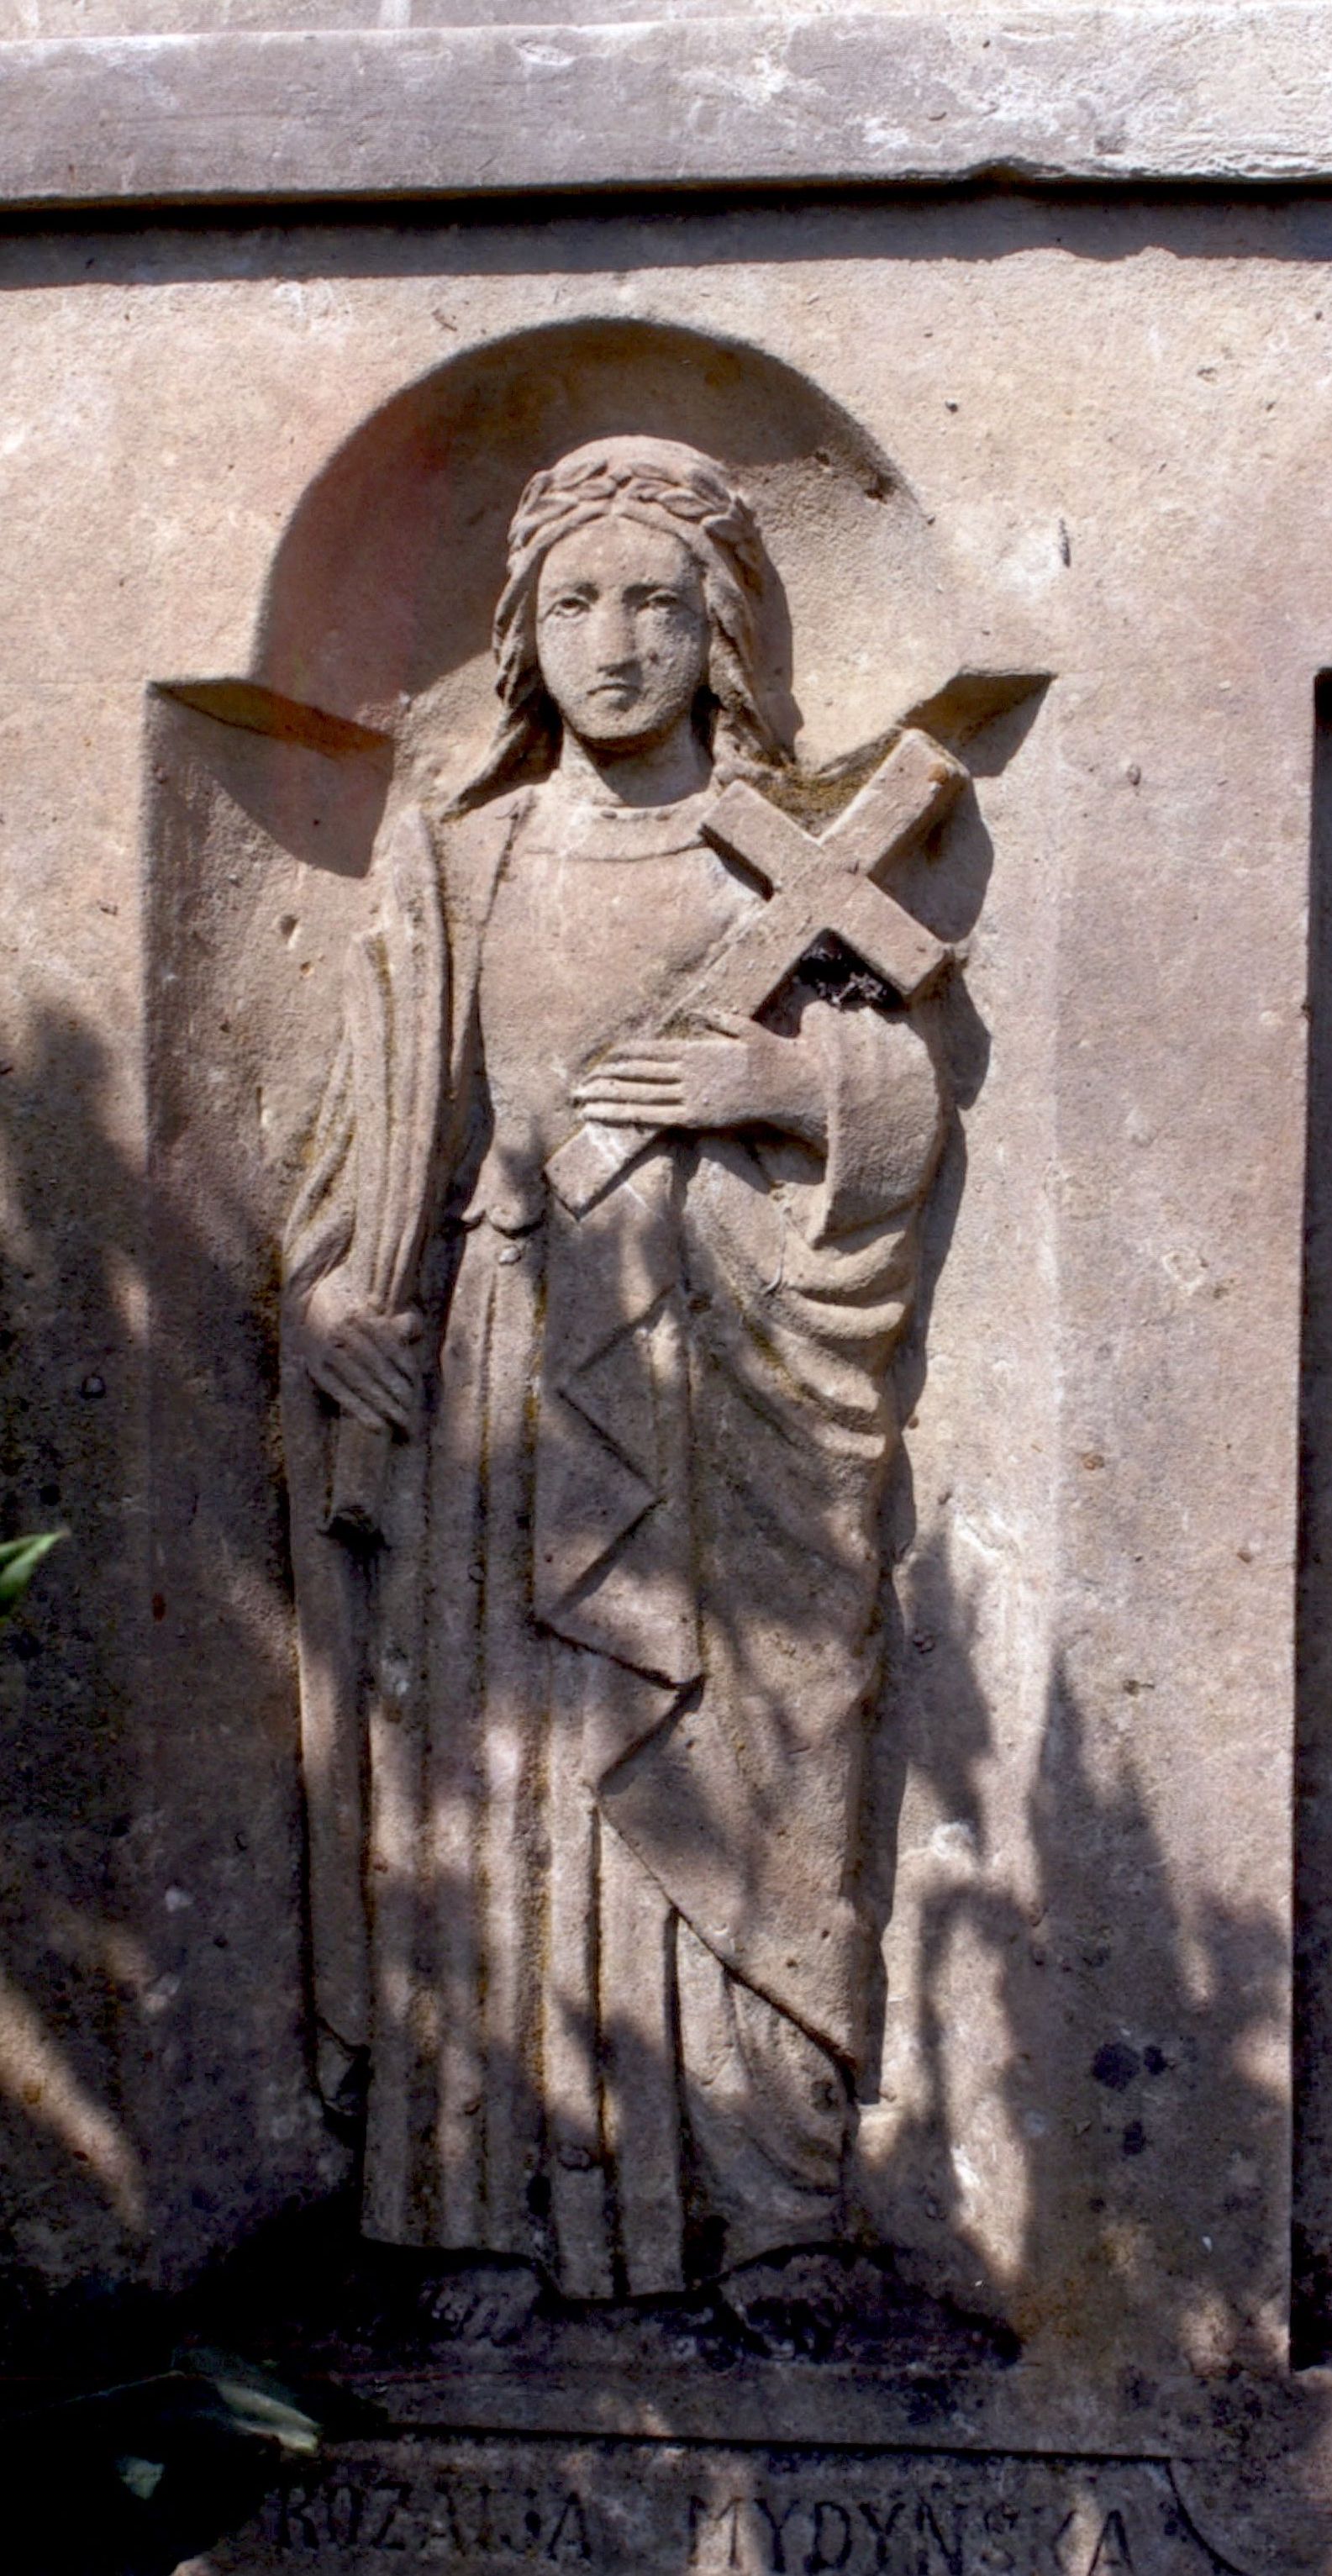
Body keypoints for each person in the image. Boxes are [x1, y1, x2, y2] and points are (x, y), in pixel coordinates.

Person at [282, 435, 945, 2299]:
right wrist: (343, 1299)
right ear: (521, 632)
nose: (616, 640)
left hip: (715, 1362)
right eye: (574, 601)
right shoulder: (465, 851)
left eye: (657, 601)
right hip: (504, 1363)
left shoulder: (775, 852)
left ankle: (765, 2206)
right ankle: (484, 2198)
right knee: (506, 1765)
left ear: (715, 625)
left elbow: (897, 1091)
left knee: (743, 1750)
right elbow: (373, 1139)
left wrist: (786, 1084)